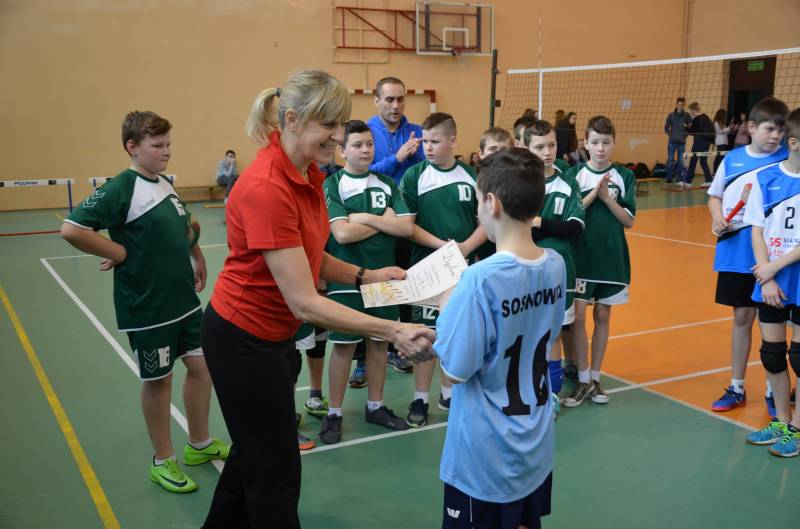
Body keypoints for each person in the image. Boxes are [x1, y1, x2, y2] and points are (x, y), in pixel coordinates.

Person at [200, 70, 434, 529]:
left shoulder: (306, 172)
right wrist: (393, 329)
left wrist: (365, 275)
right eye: (328, 124)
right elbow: (305, 302)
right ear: (292, 120)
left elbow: (309, 253)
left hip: (270, 338)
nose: (338, 136)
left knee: (254, 456)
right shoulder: (267, 186)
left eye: (340, 124)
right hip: (243, 340)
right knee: (275, 473)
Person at [61, 111, 229, 493]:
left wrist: (197, 255)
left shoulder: (164, 184)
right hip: (148, 307)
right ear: (132, 147)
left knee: (202, 369)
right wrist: (118, 252)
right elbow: (72, 228)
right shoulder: (121, 187)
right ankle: (162, 460)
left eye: (168, 144)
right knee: (159, 381)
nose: (166, 151)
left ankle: (199, 443)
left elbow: (185, 226)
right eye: (157, 145)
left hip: (184, 300)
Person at [435, 147, 565, 529]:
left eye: (478, 201)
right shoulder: (556, 265)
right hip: (535, 445)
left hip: (485, 457)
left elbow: (454, 372)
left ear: (492, 203)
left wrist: (445, 308)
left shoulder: (479, 280)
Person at [319, 120, 414, 444]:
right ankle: (334, 413)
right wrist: (384, 221)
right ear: (342, 150)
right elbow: (341, 234)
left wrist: (364, 218)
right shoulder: (333, 184)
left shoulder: (386, 183)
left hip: (384, 276)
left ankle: (376, 406)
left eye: (369, 144)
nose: (365, 150)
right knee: (344, 346)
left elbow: (406, 228)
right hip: (347, 277)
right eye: (357, 145)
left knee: (379, 343)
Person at [400, 112, 487, 427]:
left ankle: (449, 392)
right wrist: (443, 246)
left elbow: (486, 223)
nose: (428, 147)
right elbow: (407, 227)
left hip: (462, 270)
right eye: (425, 141)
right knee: (425, 335)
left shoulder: (471, 176)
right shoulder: (415, 176)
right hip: (425, 270)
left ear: (453, 141)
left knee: (454, 332)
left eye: (435, 141)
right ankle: (420, 398)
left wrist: (464, 248)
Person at [707, 96, 789, 415]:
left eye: (781, 130)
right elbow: (714, 196)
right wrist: (717, 216)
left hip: (772, 256)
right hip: (735, 253)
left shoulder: (787, 159)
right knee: (741, 318)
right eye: (770, 129)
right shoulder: (733, 159)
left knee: (773, 325)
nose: (776, 136)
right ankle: (737, 386)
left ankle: (773, 389)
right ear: (751, 128)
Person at [563, 116, 636, 407]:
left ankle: (595, 377)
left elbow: (628, 220)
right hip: (581, 257)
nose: (601, 148)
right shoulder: (574, 174)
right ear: (586, 143)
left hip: (611, 258)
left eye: (606, 142)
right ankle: (581, 378)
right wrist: (595, 193)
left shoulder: (624, 176)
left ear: (614, 143)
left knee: (603, 316)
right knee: (579, 317)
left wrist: (608, 198)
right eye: (595, 142)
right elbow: (571, 212)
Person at [744, 107, 800, 456]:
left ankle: (798, 429)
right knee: (773, 355)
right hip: (770, 279)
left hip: (792, 273)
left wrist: (772, 267)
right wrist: (765, 276)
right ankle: (781, 420)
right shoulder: (766, 179)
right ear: (794, 143)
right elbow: (757, 231)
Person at [525, 121, 585, 409]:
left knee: (554, 332)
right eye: (539, 147)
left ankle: (552, 391)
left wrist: (539, 222)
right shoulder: (521, 184)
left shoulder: (568, 183)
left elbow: (575, 227)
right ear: (526, 148)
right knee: (528, 330)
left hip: (559, 271)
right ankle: (526, 385)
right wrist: (545, 227)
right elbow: (516, 228)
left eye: (551, 145)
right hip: (525, 269)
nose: (547, 152)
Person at [367, 76, 425, 375]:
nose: (395, 105)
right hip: (376, 224)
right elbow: (363, 172)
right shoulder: (367, 132)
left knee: (404, 285)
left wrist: (416, 155)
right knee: (376, 289)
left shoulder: (417, 131)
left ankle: (400, 348)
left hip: (407, 222)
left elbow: (425, 170)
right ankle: (365, 357)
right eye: (389, 99)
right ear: (376, 100)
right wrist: (397, 158)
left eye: (400, 99)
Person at [684, 102, 715, 188]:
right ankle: (709, 180)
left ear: (694, 111)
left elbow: (692, 132)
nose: (691, 114)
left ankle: (688, 181)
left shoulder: (697, 119)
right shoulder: (707, 119)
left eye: (691, 112)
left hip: (699, 142)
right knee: (703, 161)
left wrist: (686, 127)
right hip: (707, 143)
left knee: (693, 160)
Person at [664, 97, 693, 184]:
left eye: (682, 104)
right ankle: (669, 178)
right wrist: (670, 134)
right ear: (676, 104)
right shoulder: (671, 115)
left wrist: (686, 133)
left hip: (682, 142)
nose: (680, 106)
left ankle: (678, 178)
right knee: (670, 159)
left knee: (680, 160)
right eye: (679, 104)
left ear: (684, 105)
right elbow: (666, 128)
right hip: (672, 141)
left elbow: (691, 127)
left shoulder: (687, 115)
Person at [712, 109, 732, 176]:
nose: (726, 116)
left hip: (724, 142)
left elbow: (725, 132)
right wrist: (728, 128)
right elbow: (719, 132)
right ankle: (714, 172)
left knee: (722, 158)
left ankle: (719, 173)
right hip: (720, 142)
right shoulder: (716, 123)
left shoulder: (723, 123)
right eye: (725, 115)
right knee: (719, 157)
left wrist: (730, 128)